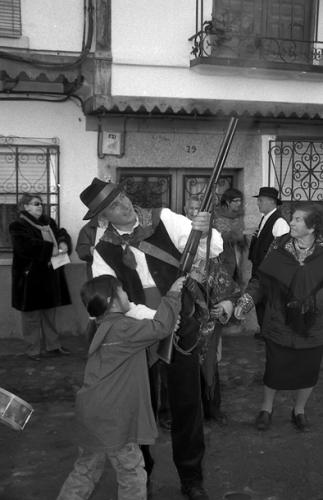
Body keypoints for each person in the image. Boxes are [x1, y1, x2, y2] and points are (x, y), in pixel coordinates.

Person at [79, 177, 224, 500]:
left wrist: (204, 229)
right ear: (103, 217)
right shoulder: (103, 249)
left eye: (121, 197)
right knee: (137, 406)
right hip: (138, 329)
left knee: (187, 402)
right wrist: (157, 322)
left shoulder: (164, 218)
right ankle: (140, 476)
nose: (124, 205)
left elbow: (212, 248)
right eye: (114, 205)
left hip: (181, 322)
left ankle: (191, 478)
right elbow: (114, 300)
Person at [57, 274, 184, 500]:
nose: (127, 295)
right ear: (112, 300)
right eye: (122, 290)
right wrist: (173, 294)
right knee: (132, 474)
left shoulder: (102, 326)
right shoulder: (123, 328)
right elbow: (161, 327)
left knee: (85, 472)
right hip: (112, 419)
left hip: (91, 414)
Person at [235, 202, 323, 432]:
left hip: (313, 326)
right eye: (291, 218)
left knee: (308, 371)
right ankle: (266, 408)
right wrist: (246, 301)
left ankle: (299, 411)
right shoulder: (280, 245)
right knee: (275, 369)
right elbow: (261, 280)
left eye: (297, 220)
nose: (290, 223)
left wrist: (312, 302)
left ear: (312, 228)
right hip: (279, 321)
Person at [184, 196, 240, 426]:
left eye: (200, 209)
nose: (196, 213)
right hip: (183, 317)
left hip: (208, 319)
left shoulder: (215, 242)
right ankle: (183, 412)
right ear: (185, 211)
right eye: (192, 209)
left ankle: (212, 407)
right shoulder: (174, 238)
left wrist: (226, 303)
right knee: (182, 366)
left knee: (210, 364)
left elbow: (227, 279)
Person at [9, 193, 71, 360]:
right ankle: (33, 350)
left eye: (40, 203)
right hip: (30, 277)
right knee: (31, 317)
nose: (39, 206)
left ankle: (53, 346)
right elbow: (25, 246)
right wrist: (52, 248)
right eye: (35, 203)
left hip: (50, 275)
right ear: (25, 206)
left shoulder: (48, 222)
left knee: (50, 314)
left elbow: (60, 233)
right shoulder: (17, 225)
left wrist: (64, 242)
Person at [248, 187, 289, 336]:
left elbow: (282, 250)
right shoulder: (265, 218)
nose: (258, 203)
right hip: (260, 269)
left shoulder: (279, 222)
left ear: (272, 202)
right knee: (260, 302)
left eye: (261, 200)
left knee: (269, 303)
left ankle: (270, 333)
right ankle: (264, 331)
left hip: (270, 273)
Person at [213, 188, 246, 283]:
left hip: (238, 253)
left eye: (240, 200)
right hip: (221, 254)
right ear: (227, 202)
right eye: (235, 201)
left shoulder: (239, 215)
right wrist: (234, 235)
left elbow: (241, 234)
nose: (239, 203)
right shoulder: (217, 215)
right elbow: (219, 236)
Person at [76, 214, 109, 279]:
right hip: (96, 270)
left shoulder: (119, 224)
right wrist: (90, 250)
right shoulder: (88, 228)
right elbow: (81, 251)